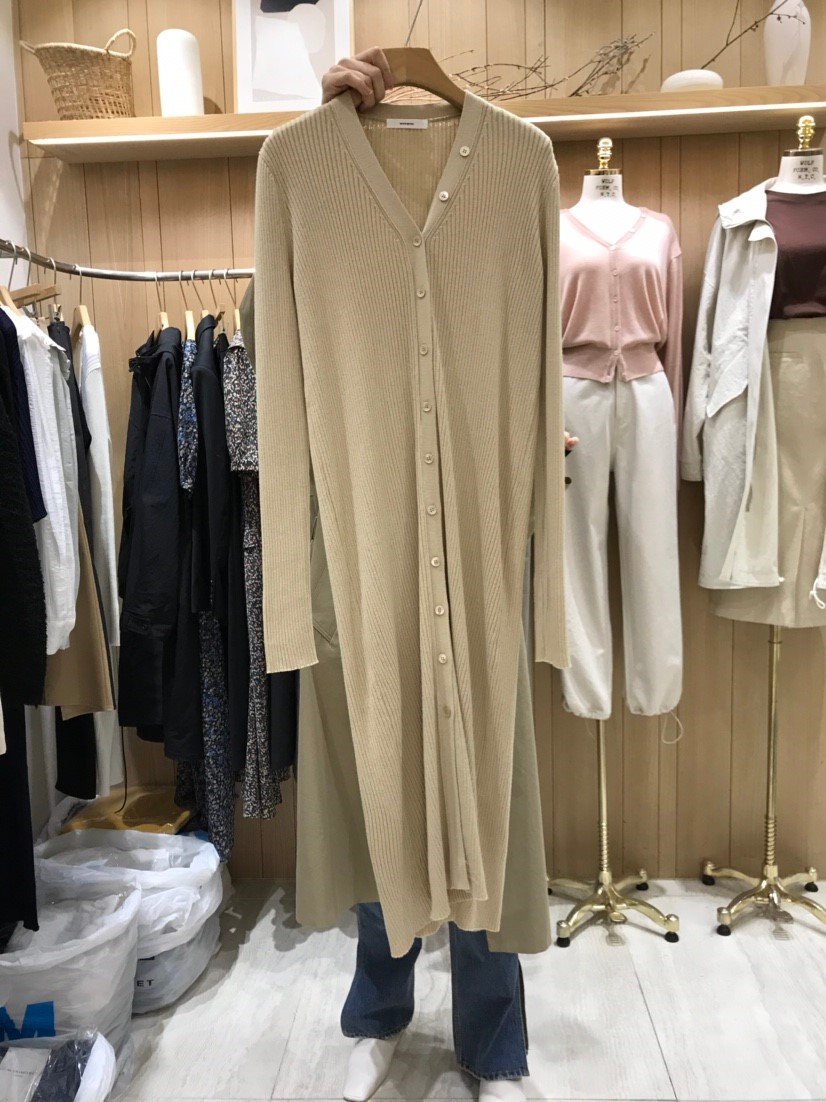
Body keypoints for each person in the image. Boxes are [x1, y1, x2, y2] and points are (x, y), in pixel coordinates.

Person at [309, 49, 577, 1102]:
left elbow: (540, 378)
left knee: (485, 785)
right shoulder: (302, 172)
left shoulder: (521, 168)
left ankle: (491, 1034)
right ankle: (381, 1006)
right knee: (387, 771)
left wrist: (543, 579)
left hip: (478, 539)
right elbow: (288, 368)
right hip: (367, 542)